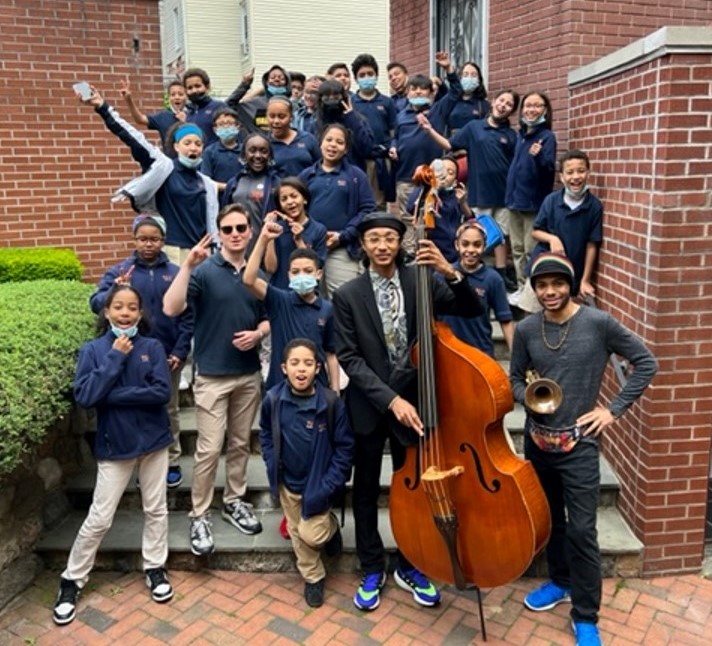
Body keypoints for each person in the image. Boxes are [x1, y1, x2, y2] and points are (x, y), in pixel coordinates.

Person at [332, 211, 484, 612]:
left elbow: (470, 309)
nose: (382, 246)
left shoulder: (422, 280)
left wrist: (449, 270)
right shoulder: (347, 295)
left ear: (400, 243)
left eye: (389, 238)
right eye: (374, 239)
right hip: (371, 405)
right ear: (363, 245)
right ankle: (371, 566)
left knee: (417, 491)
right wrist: (390, 400)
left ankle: (412, 562)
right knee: (365, 490)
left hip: (418, 402)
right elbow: (349, 358)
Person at [509, 253, 657, 646]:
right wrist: (529, 397)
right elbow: (513, 378)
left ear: (570, 285)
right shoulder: (527, 328)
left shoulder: (598, 322)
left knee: (582, 531)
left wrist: (612, 410)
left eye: (557, 283)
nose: (550, 291)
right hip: (539, 443)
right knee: (552, 521)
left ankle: (586, 616)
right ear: (534, 289)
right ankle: (560, 582)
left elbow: (646, 362)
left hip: (580, 446)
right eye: (542, 285)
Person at [53, 285, 174, 626]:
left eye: (132, 307)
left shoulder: (152, 347)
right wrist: (115, 358)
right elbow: (86, 396)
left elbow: (161, 393)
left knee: (156, 509)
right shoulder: (93, 350)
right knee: (100, 517)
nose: (125, 313)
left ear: (140, 313)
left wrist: (113, 395)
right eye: (118, 306)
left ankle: (155, 567)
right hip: (115, 445)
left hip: (154, 442)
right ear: (106, 311)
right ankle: (72, 579)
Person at [163, 204, 269, 556]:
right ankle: (199, 514)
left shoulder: (256, 272)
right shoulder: (205, 271)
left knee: (239, 444)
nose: (235, 234)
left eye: (241, 228)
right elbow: (171, 308)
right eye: (228, 229)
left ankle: (235, 501)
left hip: (248, 374)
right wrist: (187, 266)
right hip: (211, 376)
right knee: (209, 449)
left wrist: (258, 333)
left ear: (250, 231)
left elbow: (271, 314)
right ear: (219, 233)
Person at [89, 215, 193, 488]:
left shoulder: (175, 272)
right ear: (134, 240)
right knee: (133, 407)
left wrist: (180, 351)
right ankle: (138, 461)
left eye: (154, 239)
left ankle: (171, 460)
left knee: (169, 408)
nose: (149, 244)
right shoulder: (121, 271)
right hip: (128, 352)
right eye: (143, 239)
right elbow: (96, 303)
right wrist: (116, 288)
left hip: (167, 355)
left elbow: (187, 315)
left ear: (163, 241)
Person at [259, 338, 354, 607]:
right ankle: (313, 576)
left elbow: (345, 449)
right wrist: (271, 461)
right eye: (295, 363)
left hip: (319, 484)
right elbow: (265, 433)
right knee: (297, 533)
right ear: (284, 368)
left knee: (311, 534)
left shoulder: (330, 403)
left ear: (317, 368)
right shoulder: (273, 399)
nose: (301, 369)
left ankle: (330, 528)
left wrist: (329, 484)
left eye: (308, 363)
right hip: (288, 483)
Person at [79, 86, 219, 265]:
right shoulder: (164, 168)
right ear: (176, 146)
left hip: (202, 254)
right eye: (187, 143)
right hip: (172, 252)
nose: (193, 147)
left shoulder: (206, 183)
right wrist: (103, 107)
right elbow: (132, 137)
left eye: (198, 144)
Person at [417, 89, 520, 291]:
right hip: (480, 193)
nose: (503, 105)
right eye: (501, 100)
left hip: (504, 194)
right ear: (493, 101)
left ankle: (500, 274)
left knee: (500, 236)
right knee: (476, 234)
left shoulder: (511, 135)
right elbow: (450, 144)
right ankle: (474, 271)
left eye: (509, 104)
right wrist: (429, 130)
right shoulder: (474, 127)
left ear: (512, 111)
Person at [244, 217, 338, 391]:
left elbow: (331, 354)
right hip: (280, 390)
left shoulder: (327, 308)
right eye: (296, 271)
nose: (301, 275)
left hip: (317, 391)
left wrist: (335, 391)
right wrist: (263, 239)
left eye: (308, 271)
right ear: (289, 276)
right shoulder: (279, 301)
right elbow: (249, 280)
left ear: (318, 274)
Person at [518, 149, 603, 313]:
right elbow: (535, 231)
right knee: (531, 315)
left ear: (588, 173)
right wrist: (552, 239)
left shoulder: (594, 206)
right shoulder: (551, 201)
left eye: (581, 171)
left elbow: (592, 244)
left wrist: (585, 280)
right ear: (562, 177)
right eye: (570, 172)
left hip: (568, 273)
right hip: (542, 266)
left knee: (560, 317)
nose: (575, 176)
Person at [298, 124, 376, 296]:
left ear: (346, 149)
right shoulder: (306, 176)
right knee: (307, 296)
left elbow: (368, 209)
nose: (333, 145)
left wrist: (343, 235)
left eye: (339, 142)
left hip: (342, 249)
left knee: (344, 297)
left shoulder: (356, 176)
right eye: (329, 140)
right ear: (320, 143)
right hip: (308, 247)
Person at [505, 91, 557, 300]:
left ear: (545, 110)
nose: (531, 110)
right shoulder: (521, 136)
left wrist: (539, 156)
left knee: (530, 250)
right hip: (514, 201)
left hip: (533, 204)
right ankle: (521, 288)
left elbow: (549, 170)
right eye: (528, 106)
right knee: (516, 249)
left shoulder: (547, 137)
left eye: (537, 106)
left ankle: (531, 292)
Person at [439, 220, 513, 357]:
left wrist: (515, 356)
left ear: (484, 246)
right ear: (457, 245)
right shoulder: (442, 274)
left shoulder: (493, 279)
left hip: (480, 352)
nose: (471, 250)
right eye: (465, 244)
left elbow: (505, 320)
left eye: (477, 245)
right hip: (447, 352)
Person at [350, 53, 397, 209]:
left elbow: (394, 131)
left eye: (370, 74)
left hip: (381, 161)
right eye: (362, 75)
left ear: (376, 75)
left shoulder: (387, 102)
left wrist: (393, 146)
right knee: (359, 202)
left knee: (379, 204)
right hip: (358, 160)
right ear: (356, 78)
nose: (367, 78)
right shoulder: (350, 103)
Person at [263, 177, 327, 290]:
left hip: (307, 292)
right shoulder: (277, 228)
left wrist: (299, 240)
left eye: (294, 196)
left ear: (305, 199)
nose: (289, 202)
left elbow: (316, 267)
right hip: (280, 291)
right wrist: (270, 237)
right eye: (284, 199)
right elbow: (270, 268)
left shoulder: (318, 229)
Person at [405, 155, 471, 263]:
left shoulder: (456, 196)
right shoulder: (426, 191)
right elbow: (410, 207)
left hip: (452, 252)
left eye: (450, 173)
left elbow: (470, 220)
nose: (444, 175)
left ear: (455, 181)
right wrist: (430, 185)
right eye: (441, 170)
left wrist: (463, 203)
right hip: (431, 251)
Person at [221, 132, 279, 250]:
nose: (258, 156)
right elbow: (224, 216)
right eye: (252, 151)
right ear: (244, 154)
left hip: (267, 249)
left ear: (270, 155)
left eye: (263, 151)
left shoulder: (276, 184)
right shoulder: (234, 183)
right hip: (237, 249)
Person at [309, 79, 375, 172]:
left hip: (353, 173)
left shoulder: (358, 120)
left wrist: (352, 118)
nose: (331, 99)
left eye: (336, 96)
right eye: (327, 96)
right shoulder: (315, 123)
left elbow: (367, 149)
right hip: (324, 174)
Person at [119, 77, 187, 147]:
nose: (177, 97)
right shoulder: (163, 116)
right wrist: (129, 100)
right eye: (173, 95)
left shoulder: (192, 114)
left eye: (180, 94)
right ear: (169, 97)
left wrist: (185, 122)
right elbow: (140, 119)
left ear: (186, 96)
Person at [226, 64, 291, 133]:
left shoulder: (294, 107)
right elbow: (228, 105)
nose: (277, 80)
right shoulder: (254, 104)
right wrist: (244, 85)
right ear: (266, 82)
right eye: (272, 77)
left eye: (281, 78)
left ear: (287, 83)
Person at [266, 96, 321, 178]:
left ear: (291, 118)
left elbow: (321, 167)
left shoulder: (308, 139)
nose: (276, 121)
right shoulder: (265, 145)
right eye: (272, 116)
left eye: (281, 116)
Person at [200, 107, 243, 191]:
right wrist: (229, 187)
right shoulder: (209, 152)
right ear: (215, 129)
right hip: (219, 197)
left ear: (238, 126)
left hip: (242, 195)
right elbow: (206, 181)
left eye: (230, 123)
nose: (226, 127)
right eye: (221, 124)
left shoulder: (245, 150)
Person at [183, 68, 226, 146]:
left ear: (207, 87)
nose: (194, 91)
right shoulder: (188, 113)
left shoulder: (219, 107)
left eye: (197, 86)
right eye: (190, 88)